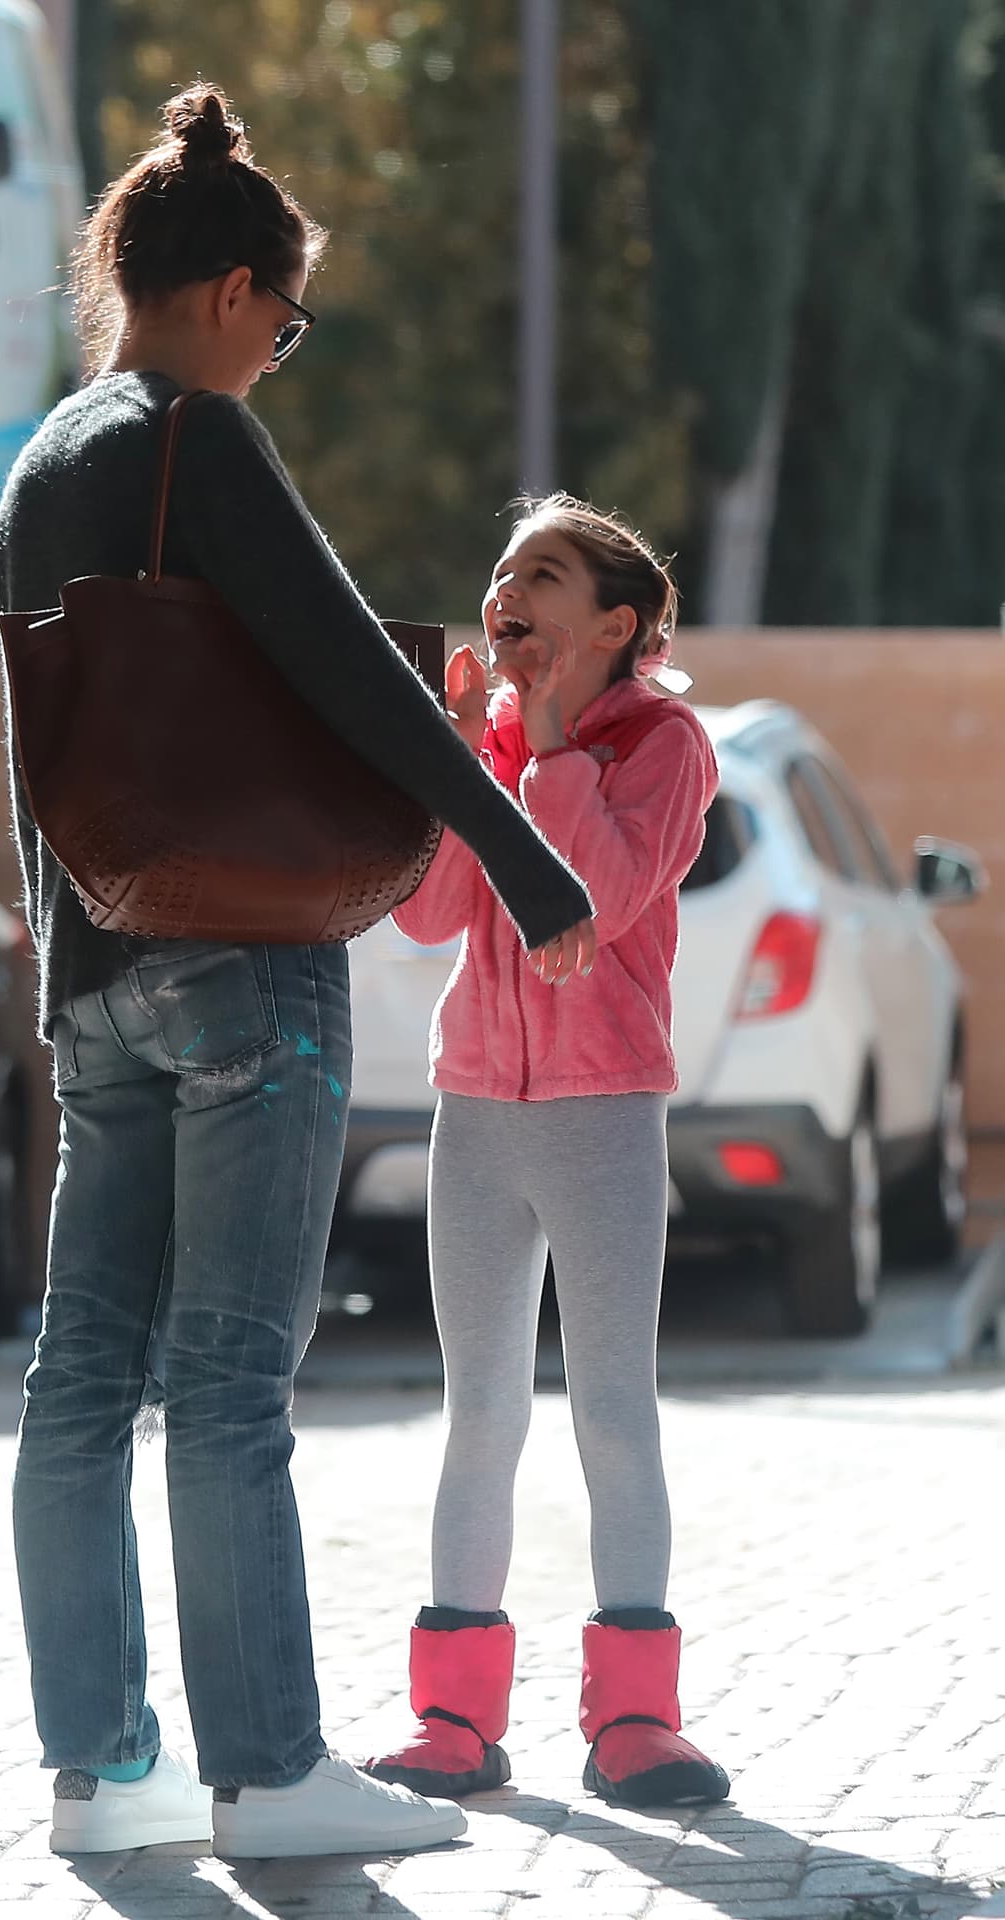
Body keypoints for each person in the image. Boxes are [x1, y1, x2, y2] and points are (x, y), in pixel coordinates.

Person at [0, 85, 595, 1860]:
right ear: (240, 292)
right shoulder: (200, 438)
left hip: (93, 965)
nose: (284, 351)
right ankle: (269, 1773)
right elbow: (349, 668)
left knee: (82, 1374)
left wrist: (68, 972)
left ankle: (102, 1777)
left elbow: (48, 739)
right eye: (292, 319)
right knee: (234, 1378)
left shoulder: (47, 461)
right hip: (242, 967)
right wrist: (522, 855)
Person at [364, 497, 731, 1811]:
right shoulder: (491, 744)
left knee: (614, 1413)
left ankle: (636, 1717)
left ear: (616, 626)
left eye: (544, 575)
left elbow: (598, 892)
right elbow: (430, 915)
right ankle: (452, 1719)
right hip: (479, 1114)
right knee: (481, 1415)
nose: (505, 588)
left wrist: (555, 746)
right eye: (504, 569)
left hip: (606, 1113)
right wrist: (461, 759)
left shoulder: (669, 746)